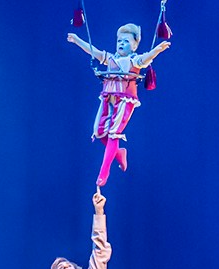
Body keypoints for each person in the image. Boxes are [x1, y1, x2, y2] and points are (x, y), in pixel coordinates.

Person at [68, 26, 170, 186]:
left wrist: (157, 50)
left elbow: (146, 59)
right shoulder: (110, 59)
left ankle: (104, 171)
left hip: (125, 99)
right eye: (119, 41)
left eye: (126, 41)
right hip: (108, 97)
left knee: (114, 132)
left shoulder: (133, 60)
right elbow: (93, 51)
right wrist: (77, 41)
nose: (121, 43)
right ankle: (118, 153)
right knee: (99, 131)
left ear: (135, 45)